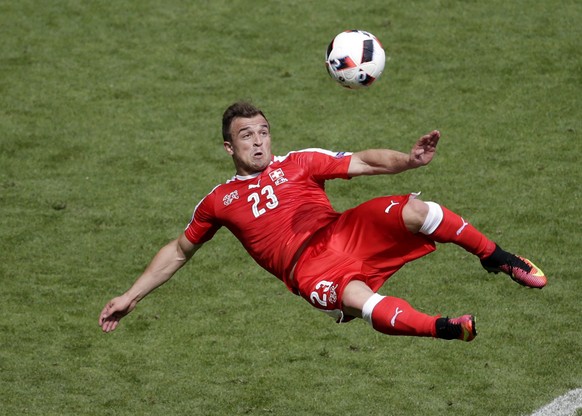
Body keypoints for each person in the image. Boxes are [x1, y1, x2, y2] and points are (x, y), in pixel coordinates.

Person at [99, 101, 546, 341]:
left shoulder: (299, 162)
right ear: (228, 149)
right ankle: (444, 328)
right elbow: (179, 251)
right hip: (307, 268)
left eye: (263, 131)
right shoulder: (219, 200)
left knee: (419, 211)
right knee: (361, 300)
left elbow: (364, 162)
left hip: (342, 231)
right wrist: (131, 295)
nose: (258, 141)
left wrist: (408, 161)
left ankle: (498, 258)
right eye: (245, 136)